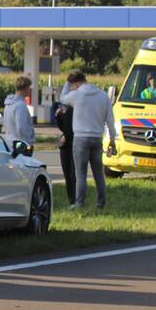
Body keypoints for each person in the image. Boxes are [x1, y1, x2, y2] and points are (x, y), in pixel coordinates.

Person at [60, 70, 118, 209]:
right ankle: (101, 202)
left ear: (75, 83)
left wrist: (67, 84)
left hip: (80, 138)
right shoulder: (103, 96)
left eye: (72, 85)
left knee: (80, 174)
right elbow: (110, 120)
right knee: (98, 173)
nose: (72, 88)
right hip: (97, 138)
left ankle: (79, 203)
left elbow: (62, 98)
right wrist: (112, 140)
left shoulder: (76, 95)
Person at [53, 84, 77, 206]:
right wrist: (58, 117)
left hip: (73, 141)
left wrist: (64, 136)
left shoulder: (76, 109)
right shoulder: (64, 110)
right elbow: (62, 127)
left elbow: (66, 128)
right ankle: (72, 199)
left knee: (72, 173)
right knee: (69, 174)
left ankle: (74, 199)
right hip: (67, 142)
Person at [2, 76, 35, 153]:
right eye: (29, 87)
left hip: (10, 142)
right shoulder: (20, 106)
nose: (30, 90)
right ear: (25, 88)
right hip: (21, 145)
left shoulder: (8, 104)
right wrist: (28, 142)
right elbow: (21, 128)